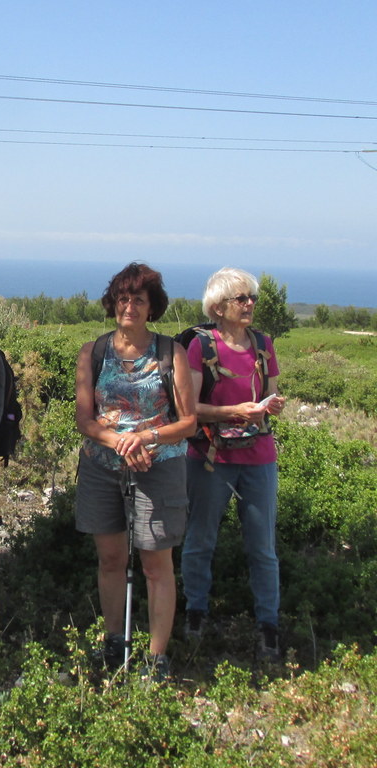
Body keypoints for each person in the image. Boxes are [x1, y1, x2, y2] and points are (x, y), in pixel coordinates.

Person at [75, 262, 196, 680]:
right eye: (123, 298)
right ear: (113, 303)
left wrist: (143, 440)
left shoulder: (170, 352)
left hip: (159, 466)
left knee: (155, 563)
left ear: (151, 307)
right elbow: (85, 419)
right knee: (109, 559)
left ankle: (156, 658)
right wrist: (120, 443)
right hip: (102, 466)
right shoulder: (94, 351)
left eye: (138, 300)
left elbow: (188, 422)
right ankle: (113, 643)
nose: (129, 306)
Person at [180, 267, 286, 661]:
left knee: (263, 547)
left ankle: (268, 625)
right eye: (241, 299)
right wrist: (233, 411)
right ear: (219, 307)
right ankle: (195, 613)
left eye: (251, 297)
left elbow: (272, 396)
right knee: (200, 540)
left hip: (258, 457)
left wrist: (269, 406)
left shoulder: (263, 344)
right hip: (211, 457)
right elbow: (188, 408)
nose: (250, 304)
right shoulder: (201, 348)